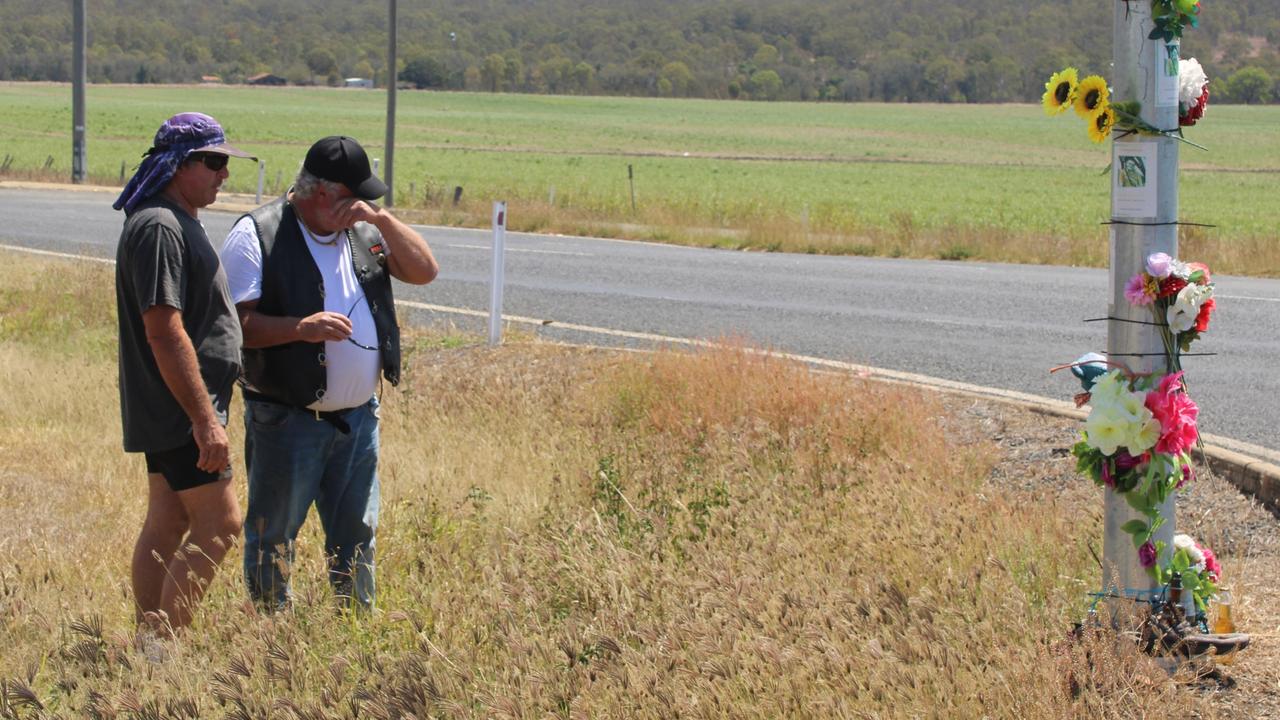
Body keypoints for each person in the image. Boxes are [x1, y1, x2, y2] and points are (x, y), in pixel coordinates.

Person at [220, 136, 439, 610]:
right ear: (322, 194)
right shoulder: (257, 234)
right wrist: (302, 328)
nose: (363, 206)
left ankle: (355, 624)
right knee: (274, 535)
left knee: (357, 533)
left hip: (358, 419)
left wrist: (382, 220)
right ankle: (270, 636)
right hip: (286, 419)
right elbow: (235, 328)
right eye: (355, 197)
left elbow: (425, 271)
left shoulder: (366, 230)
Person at [113, 111, 255, 634]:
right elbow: (163, 331)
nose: (224, 174)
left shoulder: (173, 220)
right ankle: (162, 652)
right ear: (178, 165)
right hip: (180, 409)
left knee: (170, 520)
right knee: (220, 525)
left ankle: (150, 642)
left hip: (177, 406)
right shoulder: (159, 227)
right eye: (214, 162)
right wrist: (203, 418)